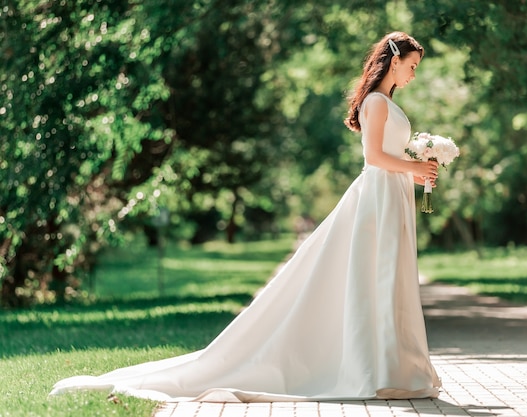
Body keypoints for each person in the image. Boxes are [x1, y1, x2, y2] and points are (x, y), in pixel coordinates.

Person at [50, 31, 442, 403]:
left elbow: (388, 155)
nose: (413, 73)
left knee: (389, 278)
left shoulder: (387, 103)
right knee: (375, 275)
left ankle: (395, 368)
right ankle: (378, 370)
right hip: (376, 197)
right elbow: (373, 158)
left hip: (391, 196)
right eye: (411, 65)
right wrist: (415, 169)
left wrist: (416, 164)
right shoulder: (375, 102)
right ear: (393, 61)